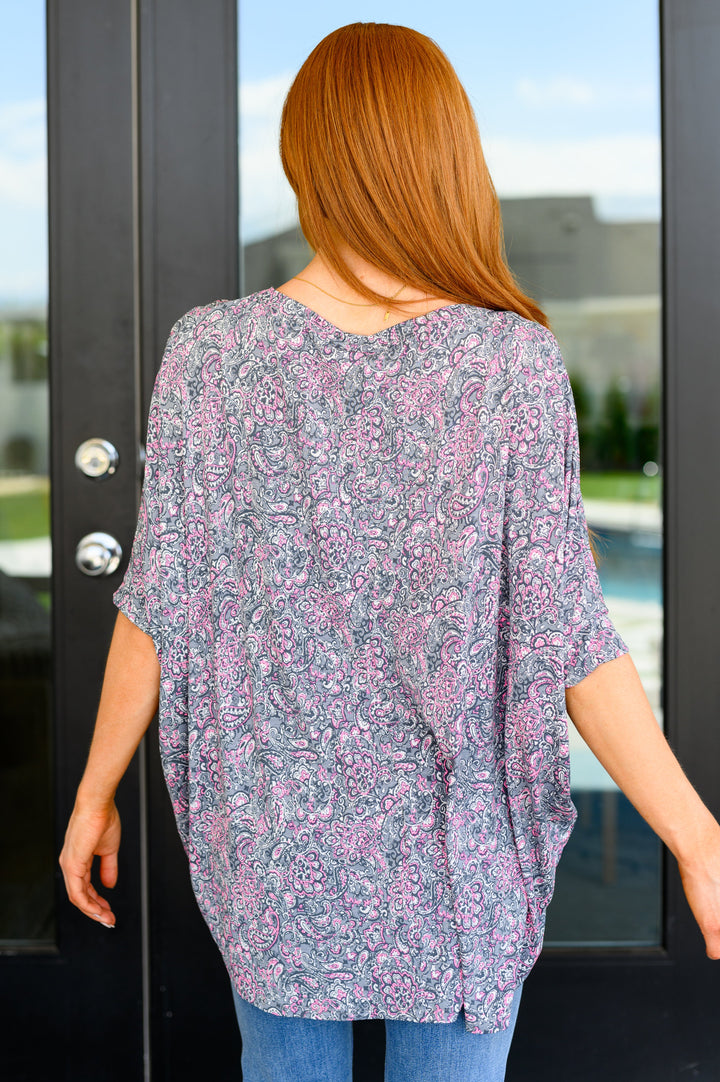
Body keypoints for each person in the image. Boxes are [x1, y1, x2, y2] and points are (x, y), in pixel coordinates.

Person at [59, 21, 720, 1082]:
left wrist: (94, 792)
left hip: (277, 852)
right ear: (445, 156)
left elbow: (156, 607)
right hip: (462, 864)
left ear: (305, 160)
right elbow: (574, 640)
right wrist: (697, 837)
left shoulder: (212, 354)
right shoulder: (510, 365)